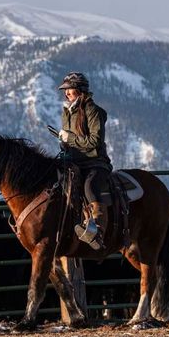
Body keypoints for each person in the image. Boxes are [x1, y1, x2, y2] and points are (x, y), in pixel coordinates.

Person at [57, 71, 113, 250]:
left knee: (90, 187)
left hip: (94, 162)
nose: (66, 93)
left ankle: (98, 232)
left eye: (70, 89)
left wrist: (70, 139)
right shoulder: (67, 112)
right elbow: (72, 141)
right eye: (65, 90)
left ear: (80, 90)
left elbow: (95, 142)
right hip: (73, 161)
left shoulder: (93, 111)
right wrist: (64, 143)